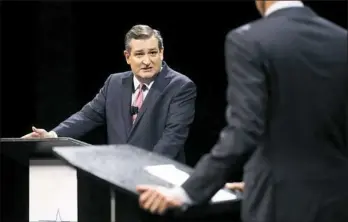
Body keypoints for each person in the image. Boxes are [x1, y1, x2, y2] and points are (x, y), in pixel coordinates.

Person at [136, 1, 348, 222]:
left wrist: (186, 192)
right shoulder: (341, 39)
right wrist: (257, 180)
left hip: (278, 205)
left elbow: (245, 130)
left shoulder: (249, 40)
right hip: (338, 201)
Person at [22, 24, 197, 163]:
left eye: (152, 53)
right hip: (118, 180)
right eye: (139, 54)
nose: (146, 61)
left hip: (159, 185)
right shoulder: (114, 83)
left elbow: (172, 139)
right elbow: (87, 116)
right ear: (127, 57)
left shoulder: (180, 86)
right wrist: (52, 136)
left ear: (162, 53)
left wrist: (143, 171)